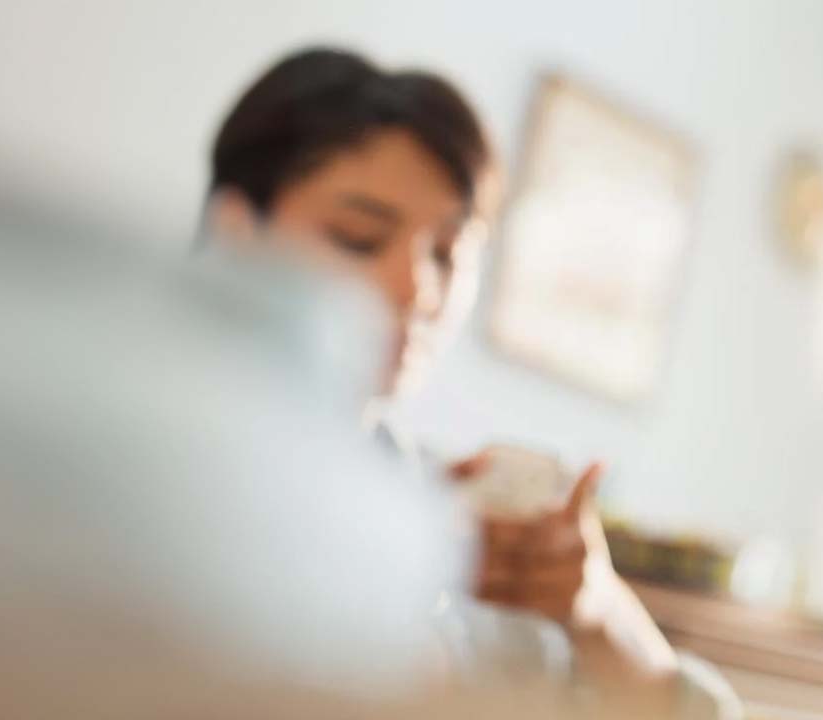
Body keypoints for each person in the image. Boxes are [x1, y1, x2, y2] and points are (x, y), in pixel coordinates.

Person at [202, 47, 729, 715]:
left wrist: (593, 607)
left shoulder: (451, 519)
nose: (420, 290)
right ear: (236, 230)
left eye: (449, 255)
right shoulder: (136, 471)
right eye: (359, 237)